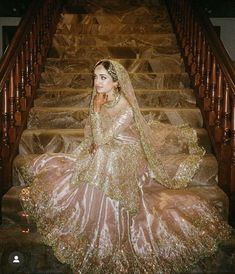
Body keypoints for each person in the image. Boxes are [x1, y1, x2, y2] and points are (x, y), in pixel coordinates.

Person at [19, 59, 231, 273]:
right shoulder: (101, 97)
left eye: (103, 78)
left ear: (116, 83)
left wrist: (95, 111)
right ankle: (90, 203)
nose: (97, 82)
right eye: (95, 77)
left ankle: (107, 209)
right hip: (109, 143)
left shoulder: (126, 108)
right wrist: (95, 131)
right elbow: (96, 135)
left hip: (129, 150)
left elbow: (101, 140)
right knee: (97, 154)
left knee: (104, 156)